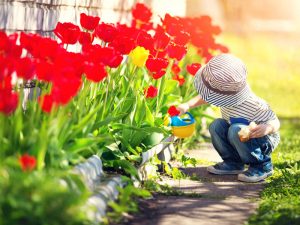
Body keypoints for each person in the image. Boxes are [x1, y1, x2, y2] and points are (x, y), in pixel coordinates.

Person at [177, 54, 280, 183]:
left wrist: (267, 128)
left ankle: (262, 165)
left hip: (262, 140)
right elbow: (206, 97)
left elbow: (275, 121)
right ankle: (233, 163)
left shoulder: (253, 104)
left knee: (235, 129)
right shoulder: (224, 94)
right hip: (238, 137)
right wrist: (188, 105)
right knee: (217, 125)